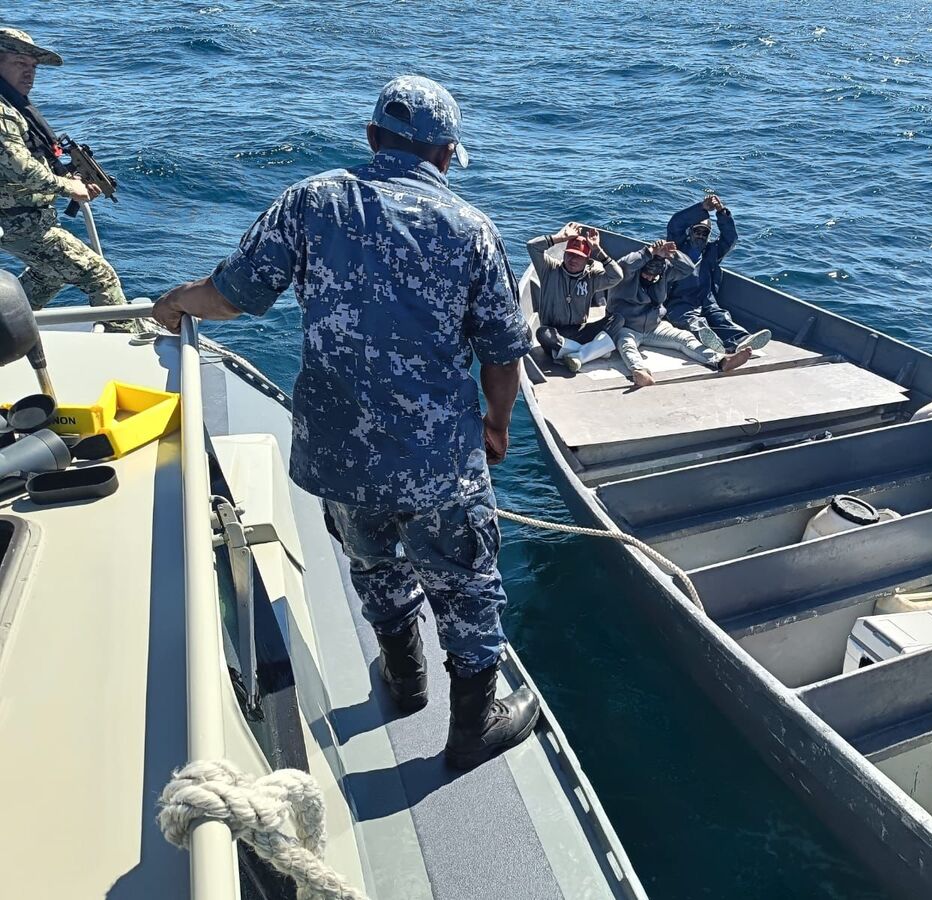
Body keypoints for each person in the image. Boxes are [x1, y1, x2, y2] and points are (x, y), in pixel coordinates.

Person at [152, 75, 540, 771]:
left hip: (340, 457)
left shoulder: (311, 201)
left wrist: (177, 301)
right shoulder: (471, 228)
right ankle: (473, 725)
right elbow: (503, 355)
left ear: (371, 139)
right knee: (468, 585)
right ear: (447, 154)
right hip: (438, 465)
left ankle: (404, 678)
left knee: (372, 563)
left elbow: (232, 297)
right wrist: (498, 425)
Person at [0, 28, 135, 329]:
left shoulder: (14, 107)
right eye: (20, 63)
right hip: (15, 220)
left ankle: (4, 333)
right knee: (99, 274)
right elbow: (21, 168)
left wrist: (73, 180)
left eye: (32, 67)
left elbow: (34, 161)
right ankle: (125, 342)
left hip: (29, 217)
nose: (29, 73)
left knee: (49, 274)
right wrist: (68, 187)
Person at [608, 239, 751, 387]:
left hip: (654, 326)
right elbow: (624, 264)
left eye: (653, 275)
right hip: (625, 326)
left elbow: (688, 268)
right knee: (626, 345)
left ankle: (721, 361)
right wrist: (649, 251)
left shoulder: (664, 273)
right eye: (646, 274)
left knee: (685, 338)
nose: (649, 278)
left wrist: (672, 254)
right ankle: (640, 372)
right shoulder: (625, 276)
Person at [665, 193, 769, 354]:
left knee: (721, 317)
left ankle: (742, 339)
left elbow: (730, 238)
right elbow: (675, 224)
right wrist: (702, 208)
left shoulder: (712, 252)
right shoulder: (676, 248)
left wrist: (721, 212)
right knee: (692, 321)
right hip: (679, 302)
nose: (700, 235)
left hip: (707, 301)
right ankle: (710, 340)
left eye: (704, 233)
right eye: (697, 231)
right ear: (690, 232)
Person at [526, 222, 623, 371]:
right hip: (555, 334)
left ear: (587, 260)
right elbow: (532, 246)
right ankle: (595, 351)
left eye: (579, 256)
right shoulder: (549, 269)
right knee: (542, 333)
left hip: (579, 330)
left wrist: (597, 249)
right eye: (570, 254)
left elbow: (617, 276)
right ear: (564, 254)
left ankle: (579, 355)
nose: (573, 260)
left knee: (618, 319)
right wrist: (559, 238)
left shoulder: (591, 277)